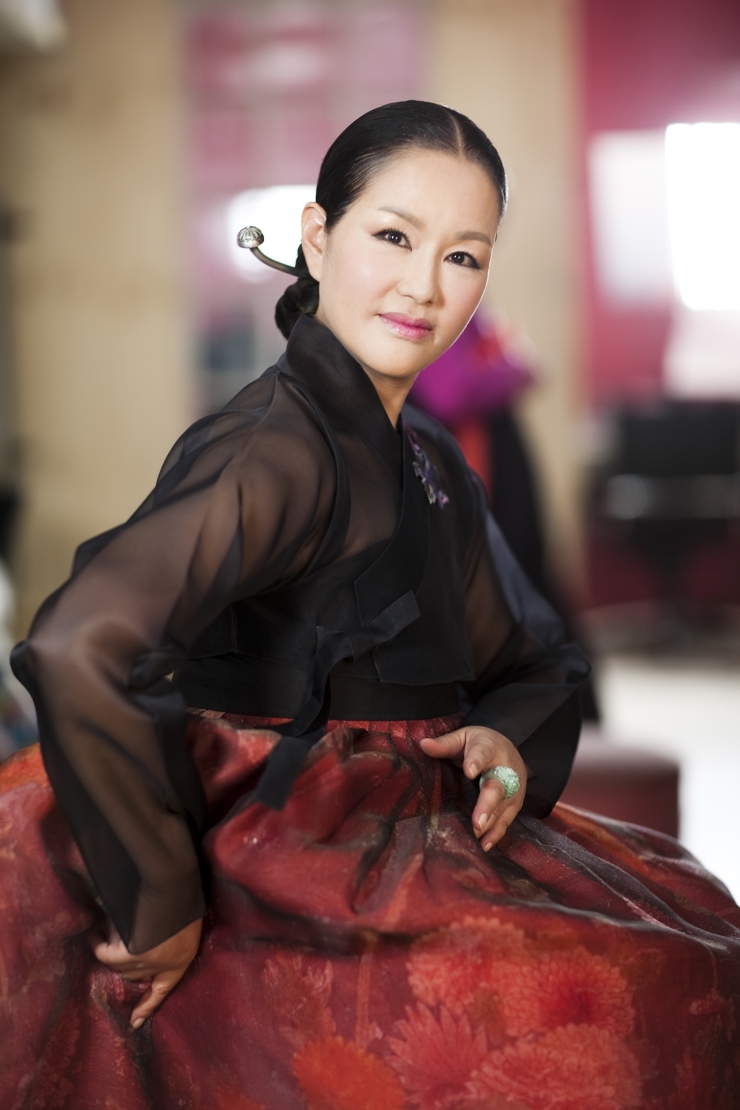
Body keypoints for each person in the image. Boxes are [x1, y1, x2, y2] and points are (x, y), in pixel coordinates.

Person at [1, 102, 738, 1110]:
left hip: (414, 823)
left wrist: (506, 740)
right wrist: (159, 900)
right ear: (317, 237)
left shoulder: (428, 458)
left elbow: (537, 658)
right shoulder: (271, 449)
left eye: (462, 256)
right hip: (283, 841)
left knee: (697, 925)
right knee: (639, 998)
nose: (424, 287)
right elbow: (79, 642)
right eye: (392, 237)